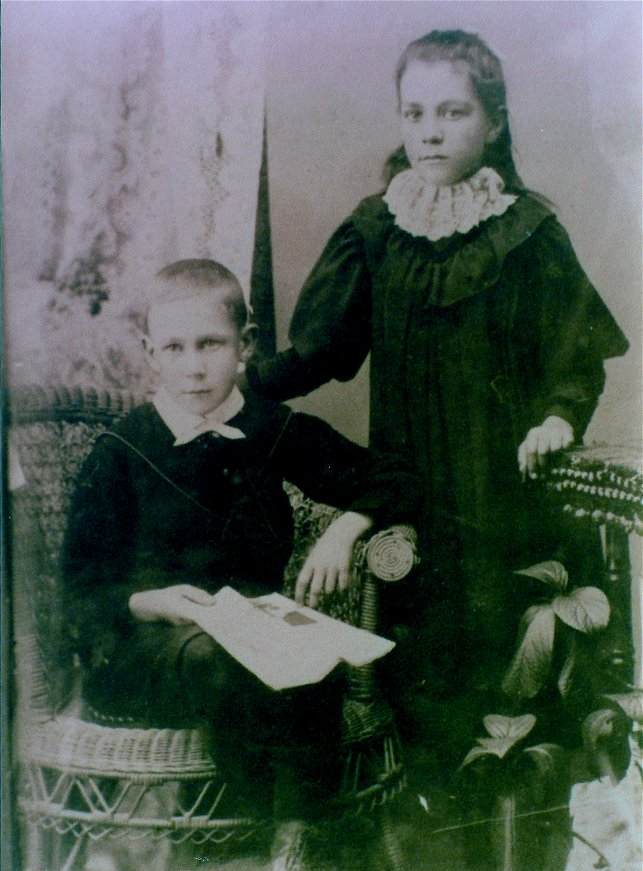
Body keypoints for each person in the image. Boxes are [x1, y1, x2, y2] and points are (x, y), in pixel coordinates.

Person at [246, 30, 629, 748]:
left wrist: (557, 419)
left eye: (452, 113)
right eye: (414, 113)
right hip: (409, 495)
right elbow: (322, 352)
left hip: (507, 498)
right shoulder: (375, 229)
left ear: (494, 122)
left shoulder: (527, 233)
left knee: (512, 693)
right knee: (422, 684)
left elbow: (578, 363)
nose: (430, 132)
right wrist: (238, 387)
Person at [62, 259, 419, 871]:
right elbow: (81, 587)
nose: (194, 367)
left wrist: (346, 528)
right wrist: (156, 600)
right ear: (149, 355)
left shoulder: (273, 430)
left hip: (255, 633)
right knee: (246, 672)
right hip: (147, 650)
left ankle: (291, 869)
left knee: (310, 664)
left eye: (211, 345)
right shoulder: (122, 449)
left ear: (245, 345)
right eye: (174, 348)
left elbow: (396, 475)